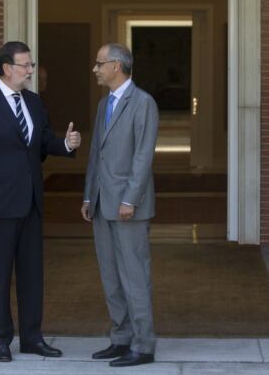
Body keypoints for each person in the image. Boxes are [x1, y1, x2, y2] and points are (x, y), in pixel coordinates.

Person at [0, 41, 81, 363]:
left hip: (31, 204)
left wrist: (65, 145)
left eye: (31, 65)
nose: (30, 70)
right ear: (7, 68)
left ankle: (32, 338)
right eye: (25, 65)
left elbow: (41, 143)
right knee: (0, 275)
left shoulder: (34, 102)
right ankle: (1, 340)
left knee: (32, 275)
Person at [81, 43, 159, 368]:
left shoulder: (143, 103)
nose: (95, 69)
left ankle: (143, 345)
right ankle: (121, 337)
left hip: (129, 206)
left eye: (99, 64)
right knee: (111, 275)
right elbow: (96, 153)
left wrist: (130, 198)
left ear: (116, 66)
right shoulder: (103, 105)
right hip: (101, 203)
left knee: (134, 276)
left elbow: (143, 156)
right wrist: (88, 195)